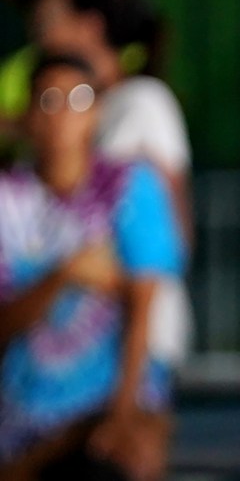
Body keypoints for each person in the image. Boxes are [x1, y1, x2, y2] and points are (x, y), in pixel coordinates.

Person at [0, 54, 184, 480]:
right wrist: (63, 275)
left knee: (129, 455)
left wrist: (120, 415)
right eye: (48, 99)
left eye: (78, 98)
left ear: (98, 111)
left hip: (118, 400)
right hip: (27, 411)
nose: (63, 113)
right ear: (27, 115)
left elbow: (143, 304)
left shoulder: (130, 186)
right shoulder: (9, 201)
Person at [17, 0, 194, 367]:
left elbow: (170, 232)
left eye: (48, 21)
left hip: (135, 337)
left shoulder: (139, 104)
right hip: (77, 344)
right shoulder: (56, 119)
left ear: (90, 26)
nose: (38, 36)